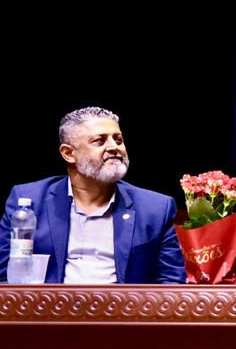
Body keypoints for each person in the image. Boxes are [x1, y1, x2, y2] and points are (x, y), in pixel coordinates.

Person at [1, 106, 183, 283]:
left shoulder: (156, 208)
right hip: (47, 310)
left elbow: (171, 282)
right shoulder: (28, 200)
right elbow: (3, 276)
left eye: (118, 139)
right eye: (99, 141)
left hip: (125, 311)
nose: (114, 147)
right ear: (68, 153)